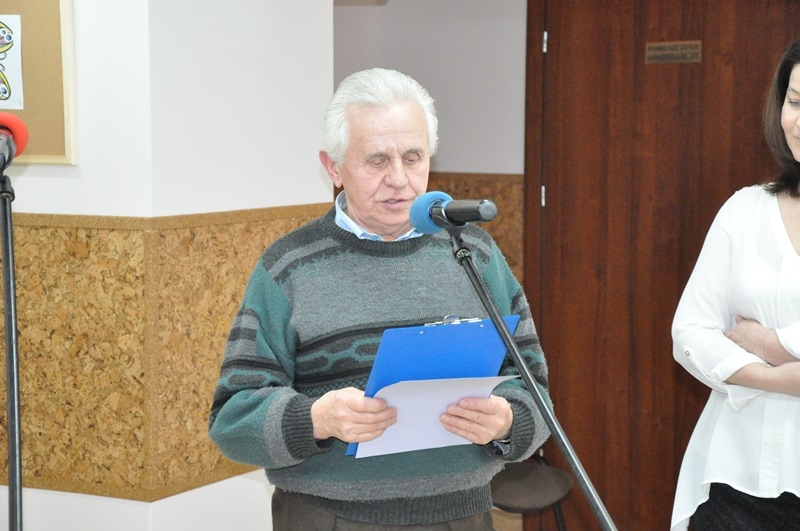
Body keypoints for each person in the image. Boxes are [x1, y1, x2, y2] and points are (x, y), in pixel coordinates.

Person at [208, 68, 551, 530]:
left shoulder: (474, 254)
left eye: (413, 157)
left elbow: (534, 390)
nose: (399, 179)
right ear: (333, 168)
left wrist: (508, 420)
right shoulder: (288, 268)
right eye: (376, 160)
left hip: (462, 515)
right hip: (329, 518)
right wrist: (314, 418)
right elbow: (232, 420)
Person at [670, 39, 800, 531]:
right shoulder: (744, 209)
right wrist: (775, 378)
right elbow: (690, 333)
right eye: (795, 101)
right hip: (733, 480)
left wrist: (765, 342)